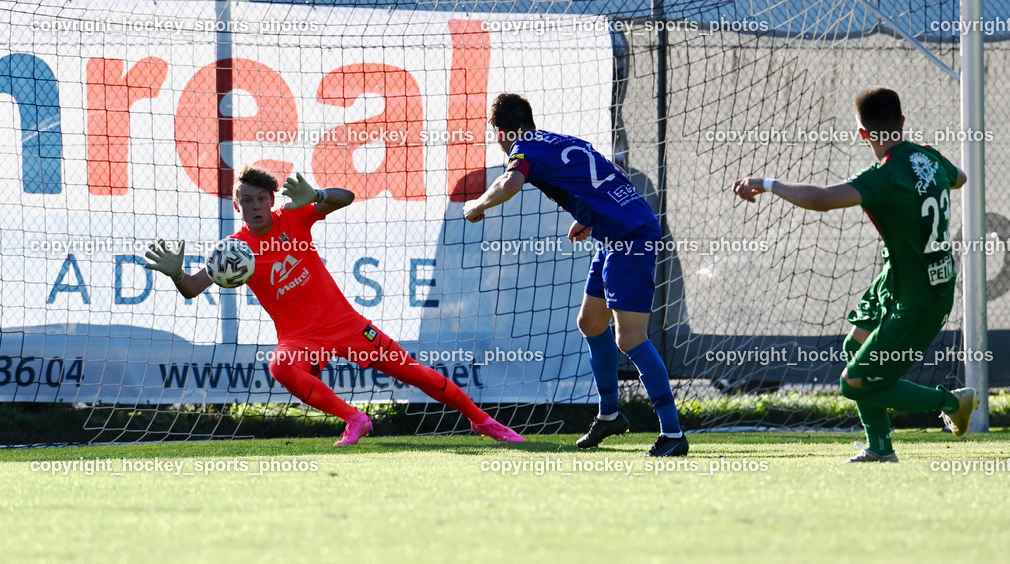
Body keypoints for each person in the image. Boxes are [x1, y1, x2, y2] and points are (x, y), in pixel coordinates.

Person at [145, 165, 524, 447]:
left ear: (272, 200)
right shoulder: (233, 250)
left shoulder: (293, 216)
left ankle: (481, 420)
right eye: (248, 199)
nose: (256, 205)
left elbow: (347, 197)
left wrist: (318, 195)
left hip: (345, 324)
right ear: (237, 203)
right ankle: (354, 418)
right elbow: (192, 288)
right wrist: (177, 274)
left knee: (416, 374)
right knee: (280, 366)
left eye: (262, 198)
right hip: (301, 338)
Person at [733, 86, 978, 462]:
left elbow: (821, 200)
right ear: (903, 122)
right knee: (855, 347)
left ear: (863, 134)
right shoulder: (927, 157)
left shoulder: (884, 175)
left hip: (920, 296)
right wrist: (927, 162)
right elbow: (959, 178)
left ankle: (951, 402)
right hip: (903, 277)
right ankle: (880, 448)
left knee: (855, 382)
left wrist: (767, 184)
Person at [463, 93, 688, 457]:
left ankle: (673, 434)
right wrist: (589, 215)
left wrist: (476, 205)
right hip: (613, 233)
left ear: (500, 131)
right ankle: (610, 414)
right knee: (590, 323)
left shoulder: (524, 149)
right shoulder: (558, 140)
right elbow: (610, 174)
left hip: (629, 238)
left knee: (630, 339)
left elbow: (509, 184)